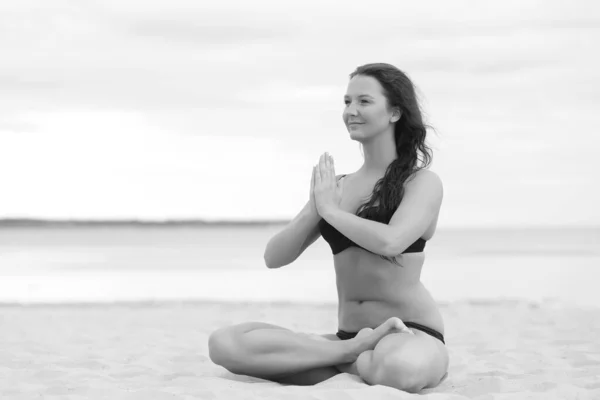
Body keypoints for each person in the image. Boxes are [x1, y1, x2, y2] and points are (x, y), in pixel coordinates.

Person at [208, 63, 448, 393]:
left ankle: (345, 364)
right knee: (225, 343)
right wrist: (317, 209)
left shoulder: (421, 182)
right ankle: (350, 356)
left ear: (394, 112)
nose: (351, 111)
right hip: (347, 337)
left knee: (400, 370)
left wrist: (331, 212)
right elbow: (274, 257)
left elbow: (392, 242)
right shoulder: (335, 188)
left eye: (364, 101)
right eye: (347, 102)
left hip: (410, 333)